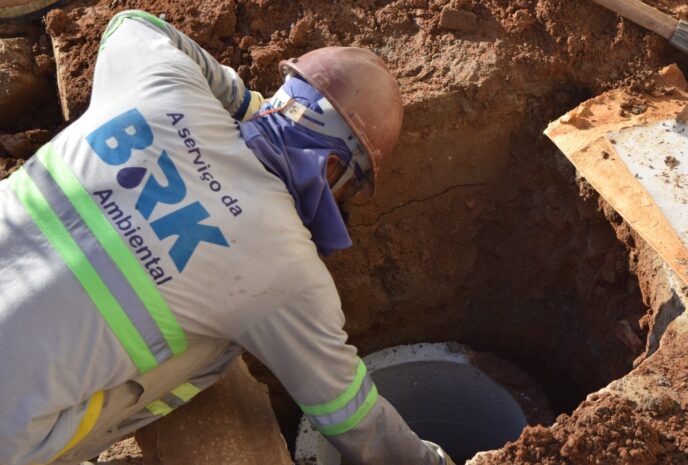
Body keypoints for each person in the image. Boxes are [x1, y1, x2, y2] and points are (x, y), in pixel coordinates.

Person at [0, 9, 456, 465]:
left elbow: (133, 23)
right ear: (333, 167)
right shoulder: (286, 269)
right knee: (217, 346)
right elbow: (351, 415)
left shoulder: (159, 81)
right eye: (348, 187)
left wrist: (241, 106)